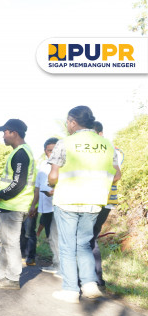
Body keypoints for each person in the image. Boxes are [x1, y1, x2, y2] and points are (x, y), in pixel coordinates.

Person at [48, 106, 120, 304]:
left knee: (67, 245)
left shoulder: (64, 143)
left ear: (73, 122)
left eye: (67, 122)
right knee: (84, 244)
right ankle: (90, 285)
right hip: (94, 202)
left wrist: (51, 182)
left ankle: (71, 290)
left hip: (67, 200)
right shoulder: (106, 145)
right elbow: (117, 175)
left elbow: (53, 177)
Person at [0, 119, 36, 290]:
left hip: (13, 206)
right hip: (12, 206)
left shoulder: (21, 153)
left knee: (11, 243)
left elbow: (18, 183)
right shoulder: (20, 152)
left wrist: (0, 196)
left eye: (5, 132)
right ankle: (0, 274)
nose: (3, 136)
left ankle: (12, 278)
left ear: (14, 133)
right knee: (5, 243)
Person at [89, 121, 123, 288]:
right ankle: (96, 278)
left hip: (100, 200)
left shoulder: (108, 149)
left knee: (90, 238)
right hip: (102, 200)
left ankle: (95, 278)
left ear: (100, 134)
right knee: (90, 238)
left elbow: (116, 175)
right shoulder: (110, 149)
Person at [29, 137, 60, 275]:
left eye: (54, 150)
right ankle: (56, 264)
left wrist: (55, 191)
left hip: (57, 207)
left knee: (57, 237)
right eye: (49, 150)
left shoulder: (63, 165)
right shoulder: (42, 165)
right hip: (44, 208)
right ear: (45, 151)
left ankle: (61, 267)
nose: (51, 153)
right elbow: (37, 188)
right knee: (51, 237)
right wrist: (33, 205)